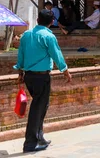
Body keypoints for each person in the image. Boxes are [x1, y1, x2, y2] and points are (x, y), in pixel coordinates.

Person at [15, 9, 72, 153]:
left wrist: (20, 72)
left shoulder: (26, 35)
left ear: (37, 19)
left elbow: (21, 55)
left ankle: (39, 137)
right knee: (37, 108)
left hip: (29, 76)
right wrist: (65, 71)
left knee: (42, 106)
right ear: (52, 22)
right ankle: (30, 143)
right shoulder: (48, 36)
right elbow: (56, 54)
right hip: (42, 77)